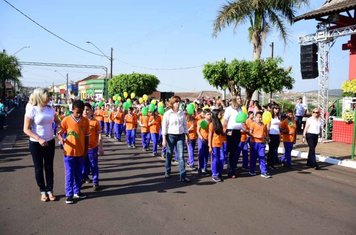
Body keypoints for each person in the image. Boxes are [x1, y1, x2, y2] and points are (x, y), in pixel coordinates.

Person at [23, 88, 60, 202]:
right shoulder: (32, 110)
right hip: (36, 143)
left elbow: (57, 121)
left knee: (49, 167)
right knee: (39, 168)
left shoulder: (50, 108)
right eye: (46, 96)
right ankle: (43, 191)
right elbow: (26, 129)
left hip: (50, 141)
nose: (48, 98)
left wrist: (59, 128)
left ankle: (50, 190)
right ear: (40, 96)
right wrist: (39, 139)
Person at [58, 100, 90, 204]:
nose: (79, 114)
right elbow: (59, 132)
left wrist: (85, 150)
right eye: (77, 112)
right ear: (72, 110)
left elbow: (86, 137)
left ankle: (77, 191)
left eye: (81, 112)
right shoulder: (66, 120)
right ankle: (69, 195)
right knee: (69, 174)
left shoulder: (85, 121)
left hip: (80, 152)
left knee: (78, 174)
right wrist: (61, 139)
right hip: (69, 152)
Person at [161, 96, 190, 182]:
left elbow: (185, 125)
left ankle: (183, 176)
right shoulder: (167, 113)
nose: (178, 104)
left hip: (180, 135)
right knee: (169, 154)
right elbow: (164, 126)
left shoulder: (181, 113)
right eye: (176, 102)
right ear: (172, 103)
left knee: (181, 156)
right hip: (170, 136)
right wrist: (163, 139)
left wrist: (187, 135)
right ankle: (167, 171)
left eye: (179, 102)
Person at [82, 103, 104, 191]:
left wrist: (100, 147)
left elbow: (99, 135)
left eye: (87, 109)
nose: (85, 111)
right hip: (82, 149)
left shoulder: (95, 122)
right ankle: (82, 179)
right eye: (84, 109)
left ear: (91, 111)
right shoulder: (80, 121)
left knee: (93, 165)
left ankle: (95, 182)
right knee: (83, 166)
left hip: (92, 148)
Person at [222, 96, 243, 178]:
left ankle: (231, 171)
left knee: (234, 152)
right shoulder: (229, 109)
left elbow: (241, 121)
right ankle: (225, 170)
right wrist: (225, 132)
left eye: (240, 98)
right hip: (230, 131)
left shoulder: (240, 109)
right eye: (238, 99)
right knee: (228, 151)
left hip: (238, 132)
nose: (240, 100)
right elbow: (225, 122)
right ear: (234, 100)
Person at [249, 111, 271, 178]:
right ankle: (252, 171)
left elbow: (265, 134)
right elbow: (250, 133)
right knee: (253, 158)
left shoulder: (263, 125)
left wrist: (267, 138)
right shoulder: (253, 124)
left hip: (261, 143)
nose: (259, 118)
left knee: (262, 157)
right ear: (255, 118)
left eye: (260, 117)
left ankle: (263, 172)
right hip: (254, 143)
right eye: (258, 117)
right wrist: (256, 136)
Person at [208, 109, 225, 182]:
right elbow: (210, 135)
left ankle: (219, 172)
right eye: (219, 114)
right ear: (216, 115)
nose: (220, 115)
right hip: (214, 144)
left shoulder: (219, 123)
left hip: (220, 143)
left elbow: (221, 133)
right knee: (215, 159)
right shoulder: (212, 124)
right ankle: (215, 174)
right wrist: (210, 146)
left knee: (222, 158)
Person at [197, 109, 211, 175]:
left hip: (208, 140)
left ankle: (204, 168)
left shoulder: (211, 122)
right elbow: (198, 131)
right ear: (204, 115)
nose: (209, 116)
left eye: (210, 114)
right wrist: (201, 137)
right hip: (201, 139)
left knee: (206, 154)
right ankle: (200, 168)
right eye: (208, 114)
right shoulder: (201, 121)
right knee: (201, 154)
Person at [267, 104, 281, 169]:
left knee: (275, 149)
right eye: (275, 108)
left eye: (278, 108)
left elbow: (279, 126)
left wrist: (280, 135)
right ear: (273, 109)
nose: (277, 110)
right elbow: (268, 127)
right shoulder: (270, 116)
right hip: (271, 134)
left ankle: (272, 164)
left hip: (277, 135)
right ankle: (269, 164)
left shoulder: (279, 117)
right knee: (271, 150)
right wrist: (267, 136)